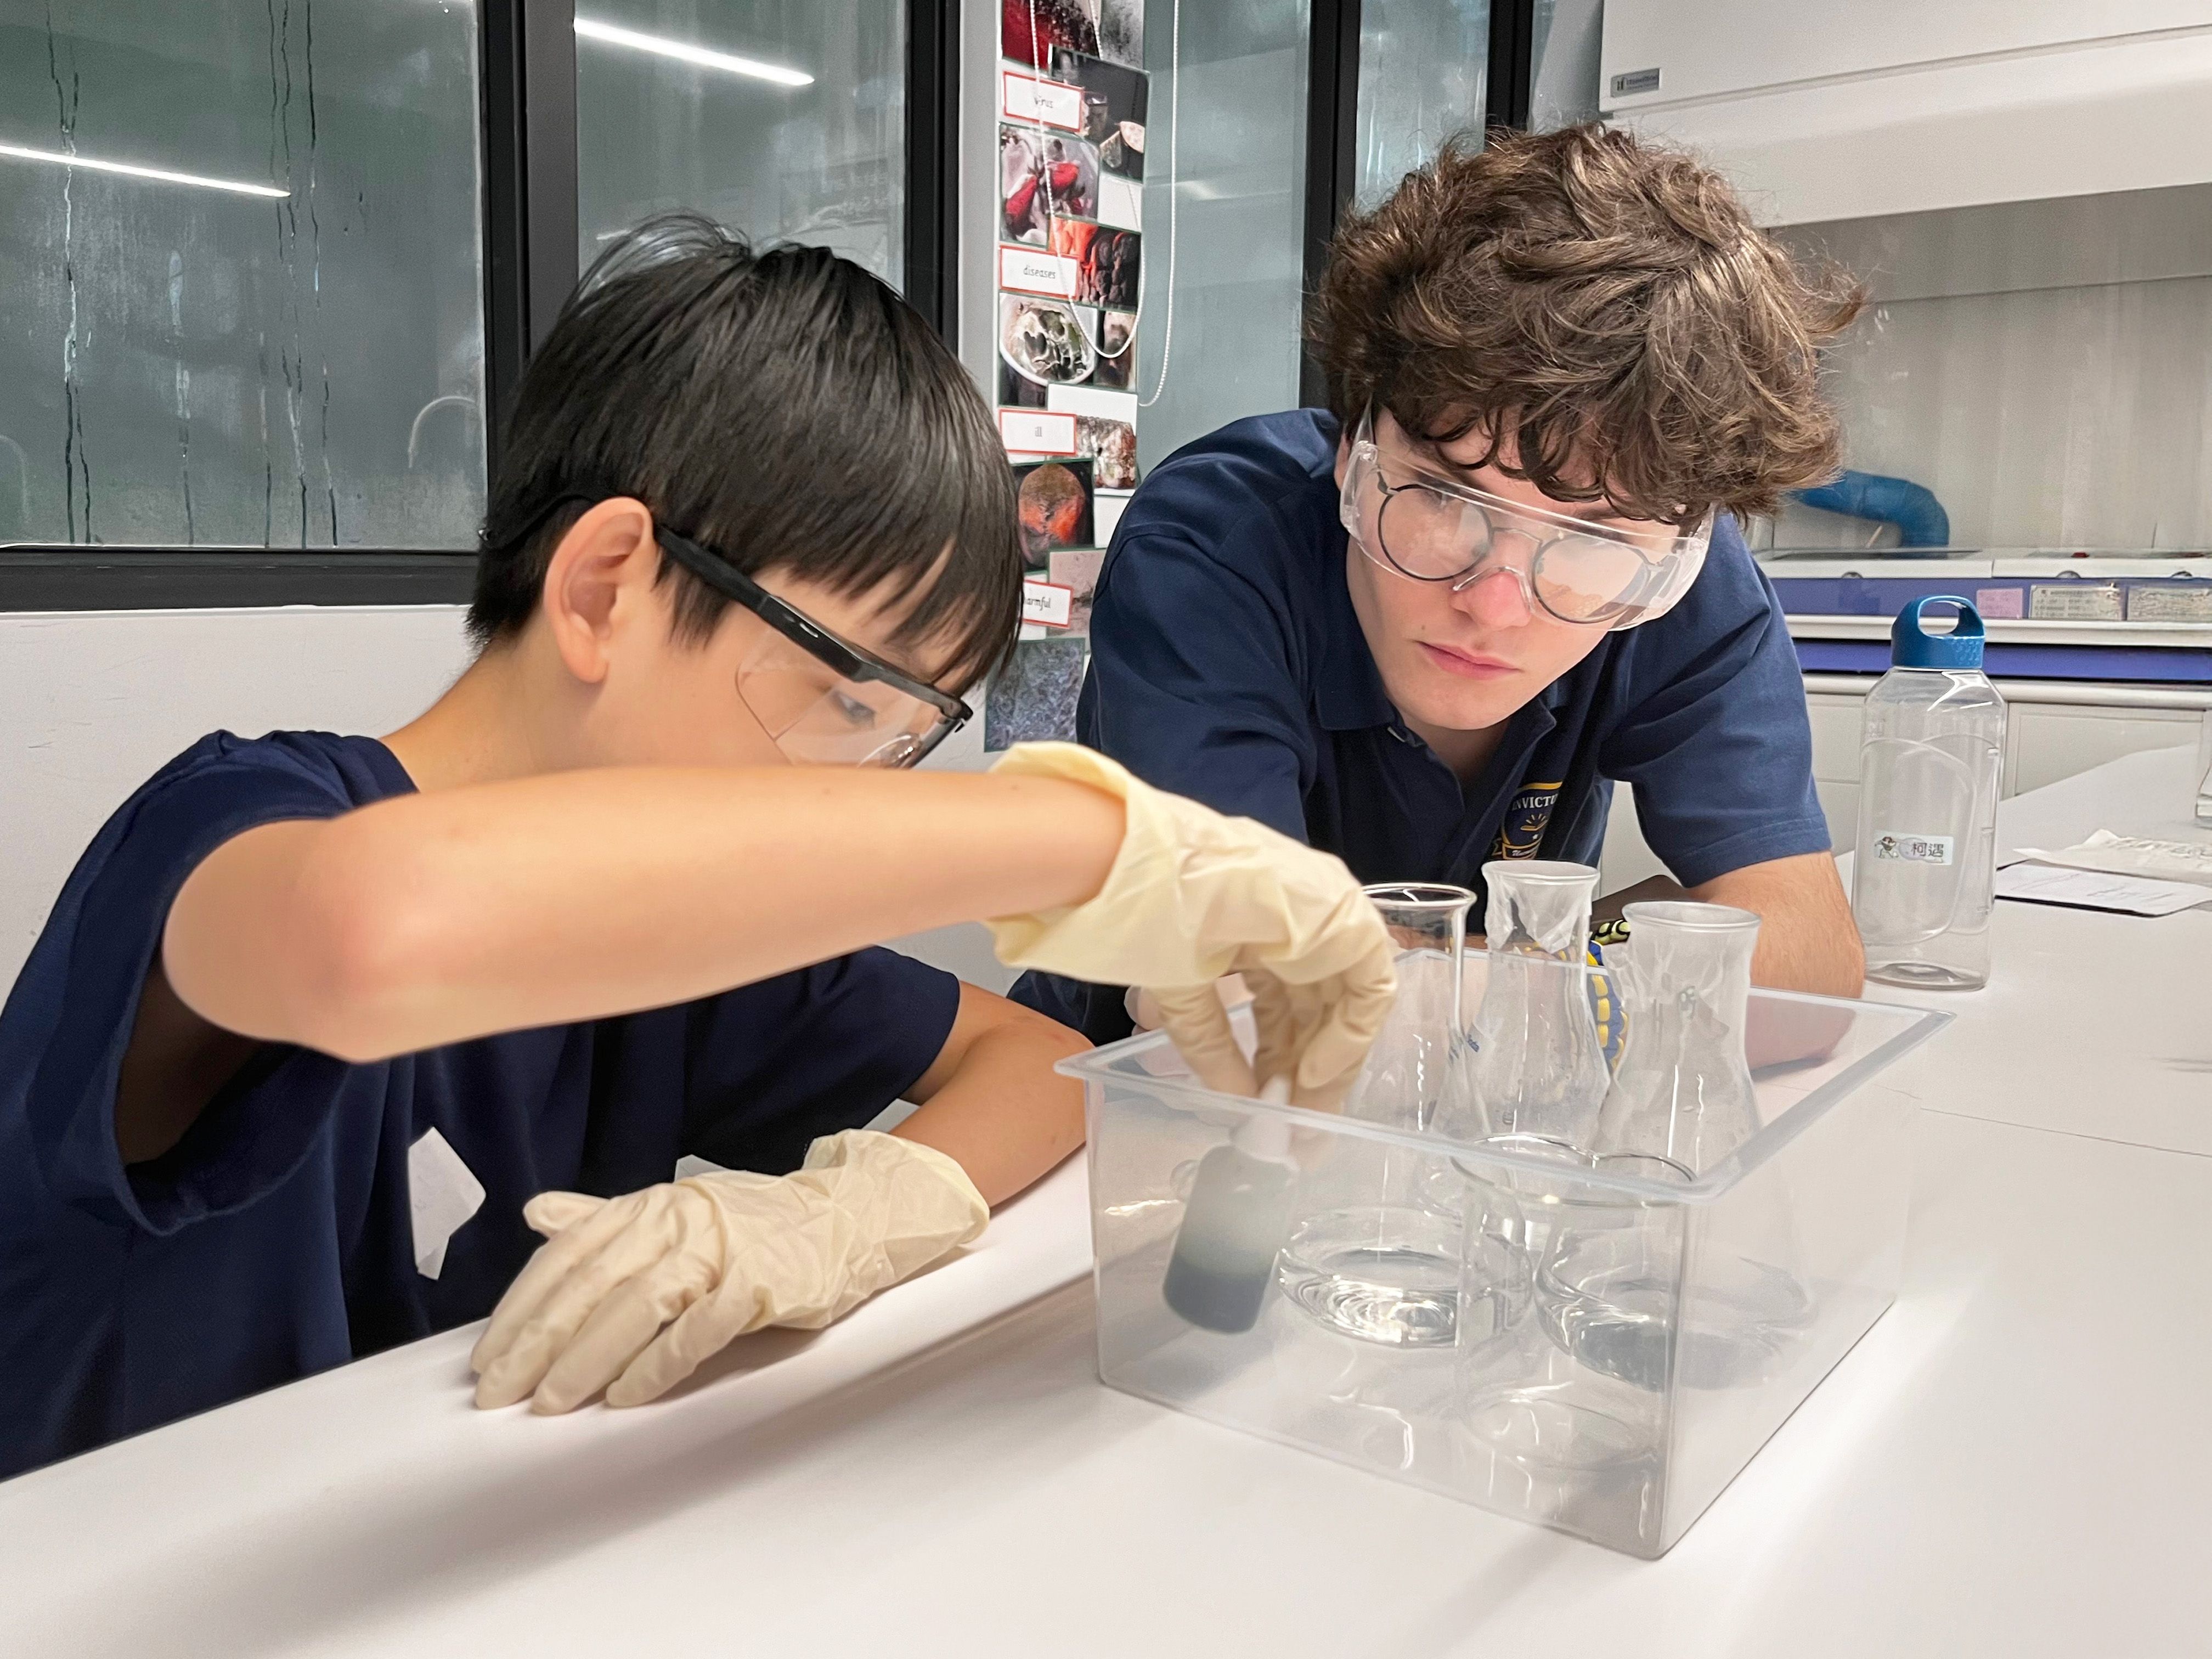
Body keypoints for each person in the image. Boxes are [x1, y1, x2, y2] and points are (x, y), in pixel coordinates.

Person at [0, 217, 1392, 1476]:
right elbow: (371, 936)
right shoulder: (229, 825)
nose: (858, 782)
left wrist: (845, 1218)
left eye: (905, 736)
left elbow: (1032, 1063)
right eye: (850, 702)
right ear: (608, 586)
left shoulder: (688, 963)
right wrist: (1094, 842)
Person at [1016, 126, 1869, 1046]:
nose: (1494, 603)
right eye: (1444, 498)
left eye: (1587, 545)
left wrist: (1495, 989)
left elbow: (1809, 970)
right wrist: (1624, 971)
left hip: (1494, 1122)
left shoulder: (1680, 574)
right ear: (1352, 449)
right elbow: (1255, 996)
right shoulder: (1219, 548)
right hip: (1139, 1103)